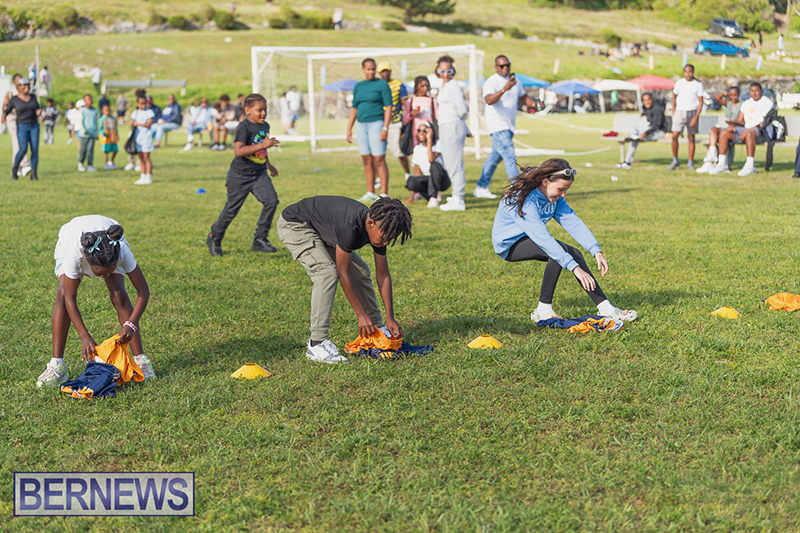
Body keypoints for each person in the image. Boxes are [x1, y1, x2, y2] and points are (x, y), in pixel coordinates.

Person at [491, 158, 638, 324]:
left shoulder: (555, 199)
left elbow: (572, 222)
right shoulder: (525, 199)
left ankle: (606, 308)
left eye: (566, 190)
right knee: (558, 251)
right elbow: (543, 239)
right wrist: (574, 267)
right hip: (509, 245)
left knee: (572, 252)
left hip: (530, 237)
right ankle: (543, 310)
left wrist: (595, 249)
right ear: (545, 182)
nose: (563, 195)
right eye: (560, 189)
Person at [277, 196, 412, 364]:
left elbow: (383, 275)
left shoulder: (380, 225)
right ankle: (316, 343)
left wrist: (390, 317)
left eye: (390, 239)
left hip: (323, 230)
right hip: (296, 225)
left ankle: (376, 329)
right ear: (370, 224)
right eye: (385, 237)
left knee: (361, 271)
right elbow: (343, 273)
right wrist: (361, 315)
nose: (385, 242)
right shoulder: (349, 226)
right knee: (326, 273)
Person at [40, 215, 154, 388]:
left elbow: (143, 291)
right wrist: (84, 336)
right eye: (100, 274)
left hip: (109, 239)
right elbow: (70, 299)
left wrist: (130, 325)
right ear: (86, 259)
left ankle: (141, 360)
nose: (105, 277)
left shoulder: (120, 249)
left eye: (110, 271)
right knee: (63, 295)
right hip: (73, 238)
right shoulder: (75, 253)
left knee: (119, 294)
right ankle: (57, 365)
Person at [206, 93, 281, 256]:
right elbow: (238, 151)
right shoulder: (244, 127)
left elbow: (261, 149)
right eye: (259, 110)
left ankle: (260, 239)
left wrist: (268, 164)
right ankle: (214, 237)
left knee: (271, 201)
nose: (263, 113)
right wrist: (263, 144)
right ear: (247, 110)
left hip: (259, 174)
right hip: (240, 176)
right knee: (232, 209)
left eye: (265, 110)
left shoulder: (265, 126)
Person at [474, 55, 536, 199]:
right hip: (497, 125)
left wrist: (534, 104)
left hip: (509, 125)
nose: (505, 68)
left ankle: (481, 186)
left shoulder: (515, 80)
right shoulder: (491, 82)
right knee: (509, 156)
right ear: (496, 67)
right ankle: (518, 189)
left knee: (494, 158)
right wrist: (504, 89)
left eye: (507, 65)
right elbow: (489, 100)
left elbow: (523, 96)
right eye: (502, 66)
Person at [346, 58, 392, 203]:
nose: (371, 72)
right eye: (368, 69)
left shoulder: (382, 85)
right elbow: (354, 108)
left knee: (379, 159)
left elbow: (389, 107)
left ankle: (383, 194)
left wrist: (385, 127)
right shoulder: (358, 86)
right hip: (361, 125)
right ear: (363, 69)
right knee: (366, 159)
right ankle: (370, 192)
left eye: (373, 69)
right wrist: (349, 129)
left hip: (377, 124)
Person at [709, 82, 774, 176]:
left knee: (749, 133)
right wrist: (732, 125)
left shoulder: (767, 102)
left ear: (761, 91)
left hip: (762, 132)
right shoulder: (747, 103)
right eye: (752, 91)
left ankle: (750, 166)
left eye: (756, 91)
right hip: (746, 130)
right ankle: (722, 164)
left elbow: (763, 123)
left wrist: (747, 130)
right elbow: (740, 121)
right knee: (724, 132)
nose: (754, 93)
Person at [435, 55, 469, 212]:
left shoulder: (453, 85)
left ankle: (459, 199)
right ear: (437, 70)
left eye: (448, 70)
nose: (445, 73)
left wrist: (461, 125)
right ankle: (456, 195)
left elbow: (462, 109)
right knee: (449, 162)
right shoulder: (444, 85)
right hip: (446, 125)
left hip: (452, 125)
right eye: (442, 70)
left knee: (454, 163)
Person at [615, 93, 668, 169]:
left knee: (635, 140)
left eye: (648, 100)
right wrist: (642, 114)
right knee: (632, 127)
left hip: (660, 132)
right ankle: (634, 135)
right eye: (644, 100)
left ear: (652, 99)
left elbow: (656, 125)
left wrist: (645, 133)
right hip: (650, 130)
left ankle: (627, 162)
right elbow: (648, 113)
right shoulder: (646, 108)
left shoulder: (657, 109)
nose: (646, 102)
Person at [696, 86, 742, 173]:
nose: (733, 97)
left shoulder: (742, 105)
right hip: (727, 127)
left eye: (735, 95)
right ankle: (712, 154)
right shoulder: (729, 104)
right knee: (713, 129)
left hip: (736, 128)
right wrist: (726, 94)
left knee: (723, 133)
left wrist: (732, 122)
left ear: (738, 95)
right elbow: (717, 97)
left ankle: (722, 163)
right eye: (731, 95)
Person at [2, 77, 41, 181]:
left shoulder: (33, 97)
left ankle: (34, 173)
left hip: (34, 125)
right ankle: (15, 168)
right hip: (22, 126)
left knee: (34, 150)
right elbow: (6, 110)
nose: (26, 87)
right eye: (23, 85)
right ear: (19, 87)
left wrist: (39, 112)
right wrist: (3, 116)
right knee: (22, 149)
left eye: (27, 85)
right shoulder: (14, 99)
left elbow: (38, 108)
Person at [378, 62, 411, 181]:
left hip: (394, 122)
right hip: (379, 122)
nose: (385, 73)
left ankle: (408, 174)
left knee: (398, 151)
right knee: (378, 153)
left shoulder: (398, 85)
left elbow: (405, 103)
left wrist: (408, 118)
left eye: (387, 70)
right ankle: (378, 177)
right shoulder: (377, 85)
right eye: (383, 71)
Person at [669, 64, 704, 170]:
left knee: (691, 137)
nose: (688, 74)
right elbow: (674, 97)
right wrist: (674, 110)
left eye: (690, 72)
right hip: (679, 112)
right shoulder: (679, 83)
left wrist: (696, 117)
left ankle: (690, 161)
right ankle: (675, 160)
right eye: (686, 72)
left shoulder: (698, 84)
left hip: (692, 112)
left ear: (693, 72)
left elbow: (700, 102)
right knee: (675, 135)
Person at [405, 121, 448, 208]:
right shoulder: (417, 149)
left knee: (434, 165)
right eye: (419, 130)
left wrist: (429, 140)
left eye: (424, 130)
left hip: (441, 179)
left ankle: (434, 196)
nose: (421, 133)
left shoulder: (437, 144)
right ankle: (431, 196)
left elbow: (431, 159)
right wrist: (412, 196)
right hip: (428, 179)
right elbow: (417, 172)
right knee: (411, 182)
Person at [1, 74, 31, 178]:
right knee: (18, 142)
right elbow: (4, 107)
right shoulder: (11, 93)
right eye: (18, 80)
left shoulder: (26, 93)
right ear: (14, 82)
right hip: (13, 120)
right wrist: (10, 109)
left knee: (22, 142)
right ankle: (24, 164)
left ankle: (17, 166)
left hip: (24, 120)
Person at [402, 76, 438, 148]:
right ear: (417, 87)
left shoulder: (432, 100)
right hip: (416, 134)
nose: (425, 89)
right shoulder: (411, 101)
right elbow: (404, 120)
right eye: (422, 86)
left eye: (427, 86)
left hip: (428, 133)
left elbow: (436, 117)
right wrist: (411, 114)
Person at [130, 95, 155, 185]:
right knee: (141, 158)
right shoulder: (135, 112)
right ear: (137, 104)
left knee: (146, 157)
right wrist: (132, 124)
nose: (143, 106)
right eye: (141, 104)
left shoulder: (149, 112)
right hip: (138, 138)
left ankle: (149, 176)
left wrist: (138, 123)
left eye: (144, 104)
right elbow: (131, 122)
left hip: (146, 138)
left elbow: (148, 124)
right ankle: (142, 176)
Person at [78, 94, 99, 173]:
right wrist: (84, 130)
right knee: (83, 149)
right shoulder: (82, 111)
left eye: (90, 99)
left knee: (90, 150)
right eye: (88, 99)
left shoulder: (95, 111)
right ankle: (81, 162)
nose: (90, 101)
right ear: (84, 101)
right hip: (84, 134)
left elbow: (97, 122)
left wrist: (96, 133)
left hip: (92, 134)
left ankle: (90, 165)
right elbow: (80, 121)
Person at [100, 103, 119, 170]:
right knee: (106, 151)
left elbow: (116, 128)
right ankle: (106, 163)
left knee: (115, 150)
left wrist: (117, 135)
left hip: (113, 136)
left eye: (108, 110)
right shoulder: (102, 119)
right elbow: (100, 128)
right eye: (106, 110)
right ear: (103, 111)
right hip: (106, 137)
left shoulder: (113, 118)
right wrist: (104, 133)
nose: (107, 111)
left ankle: (111, 161)